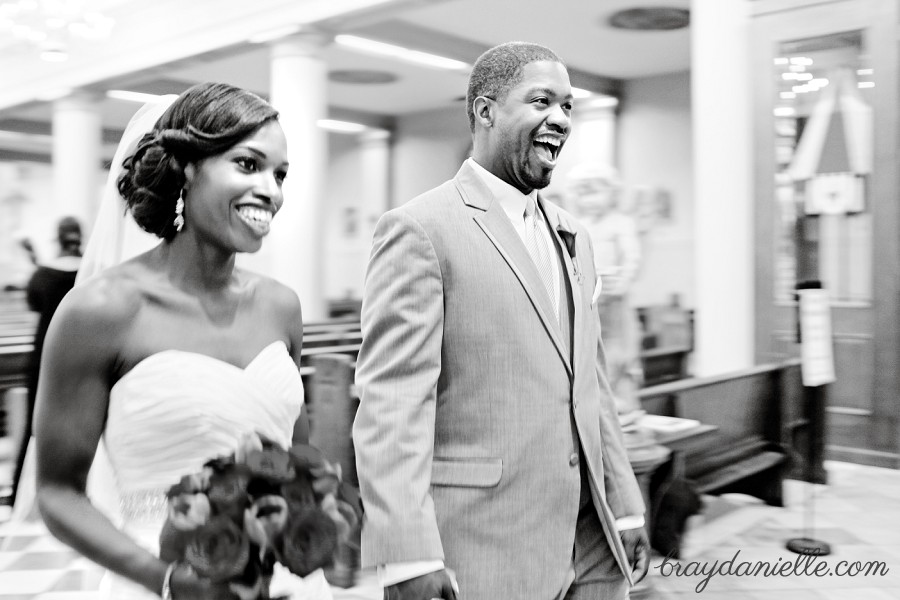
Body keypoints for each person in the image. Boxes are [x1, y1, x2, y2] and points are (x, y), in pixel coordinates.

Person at [352, 42, 649, 600]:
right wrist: (406, 555)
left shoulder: (574, 236)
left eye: (568, 106)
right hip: (481, 543)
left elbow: (592, 385)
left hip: (585, 541)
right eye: (542, 101)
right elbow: (393, 404)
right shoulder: (420, 229)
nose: (560, 119)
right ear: (486, 111)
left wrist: (625, 506)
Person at [30, 82, 329, 600]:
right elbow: (57, 494)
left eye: (280, 175)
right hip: (160, 577)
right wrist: (168, 581)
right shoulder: (100, 311)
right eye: (248, 165)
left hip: (281, 582)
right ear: (187, 169)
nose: (272, 191)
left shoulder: (281, 306)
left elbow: (292, 456)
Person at [9, 217, 83, 507]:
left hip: (44, 356)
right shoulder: (92, 270)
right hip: (81, 353)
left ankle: (20, 496)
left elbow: (33, 302)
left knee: (33, 426)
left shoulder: (43, 274)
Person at [568, 164, 644, 415]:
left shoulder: (620, 223)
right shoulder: (576, 223)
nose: (589, 201)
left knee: (618, 351)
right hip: (586, 298)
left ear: (611, 193)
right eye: (583, 194)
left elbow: (632, 258)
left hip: (613, 298)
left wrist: (620, 281)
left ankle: (618, 400)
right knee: (585, 349)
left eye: (595, 193)